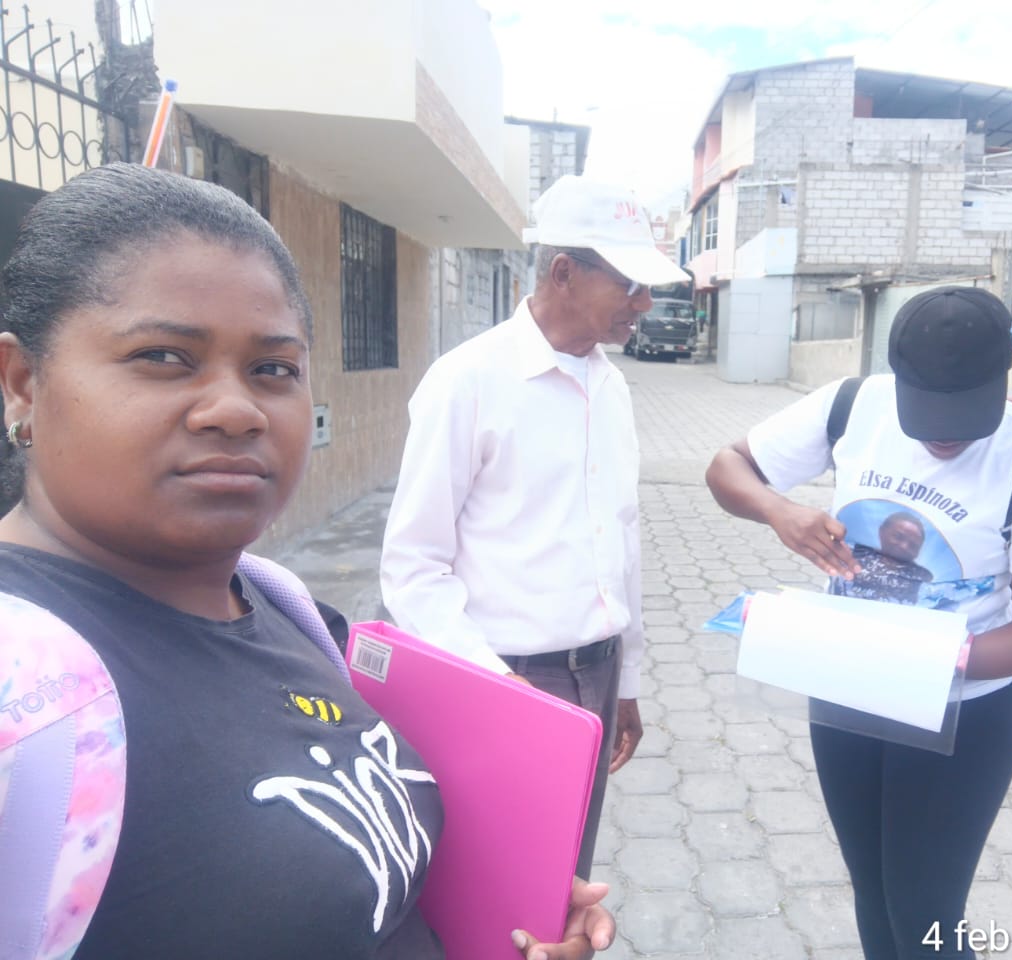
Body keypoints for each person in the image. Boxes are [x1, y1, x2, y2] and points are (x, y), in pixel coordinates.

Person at [0, 163, 613, 960]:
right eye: (164, 356)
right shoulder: (25, 691)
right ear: (23, 384)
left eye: (273, 370)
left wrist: (510, 914)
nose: (236, 410)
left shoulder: (285, 607)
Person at [705, 286, 1012, 960]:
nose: (943, 435)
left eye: (963, 414)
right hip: (847, 692)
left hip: (963, 715)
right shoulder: (851, 406)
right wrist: (780, 511)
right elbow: (726, 467)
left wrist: (931, 659)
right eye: (926, 414)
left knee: (925, 916)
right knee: (873, 890)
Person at [381, 174, 689, 879]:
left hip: (596, 674)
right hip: (505, 675)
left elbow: (622, 539)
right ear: (564, 272)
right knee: (500, 883)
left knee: (567, 876)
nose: (645, 303)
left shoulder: (610, 386)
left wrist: (627, 678)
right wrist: (497, 690)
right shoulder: (467, 382)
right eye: (630, 284)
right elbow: (413, 566)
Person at [832, 510, 934, 604]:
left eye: (913, 545)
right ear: (882, 532)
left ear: (917, 552)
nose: (904, 546)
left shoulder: (922, 577)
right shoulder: (853, 555)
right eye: (898, 536)